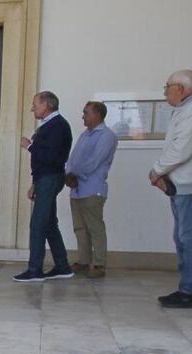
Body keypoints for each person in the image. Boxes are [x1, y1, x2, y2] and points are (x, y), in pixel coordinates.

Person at [150, 69, 192, 309]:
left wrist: (156, 170)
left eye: (167, 87)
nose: (165, 92)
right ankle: (188, 287)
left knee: (189, 238)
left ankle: (191, 291)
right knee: (183, 237)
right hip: (183, 184)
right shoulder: (187, 110)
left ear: (179, 88)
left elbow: (182, 149)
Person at [13, 91, 74, 282]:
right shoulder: (51, 125)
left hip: (50, 178)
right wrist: (35, 183)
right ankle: (62, 266)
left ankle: (35, 270)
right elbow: (44, 159)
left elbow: (52, 157)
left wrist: (29, 146)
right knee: (49, 224)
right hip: (45, 179)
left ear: (46, 105)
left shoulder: (58, 126)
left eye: (35, 104)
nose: (32, 108)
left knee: (38, 224)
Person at [65, 101, 118, 278]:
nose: (83, 116)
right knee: (80, 227)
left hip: (92, 189)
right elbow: (73, 159)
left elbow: (94, 161)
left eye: (86, 113)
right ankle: (83, 260)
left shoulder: (106, 136)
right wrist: (68, 174)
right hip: (77, 189)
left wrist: (75, 174)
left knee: (95, 228)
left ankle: (99, 264)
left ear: (98, 115)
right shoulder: (84, 135)